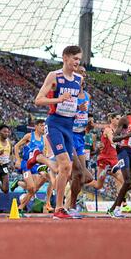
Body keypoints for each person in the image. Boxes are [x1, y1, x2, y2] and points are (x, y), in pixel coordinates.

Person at [34, 45, 84, 219]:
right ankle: (59, 208)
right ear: (65, 58)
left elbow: (74, 100)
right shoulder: (54, 76)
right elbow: (38, 100)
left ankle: (59, 208)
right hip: (54, 123)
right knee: (64, 165)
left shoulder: (78, 79)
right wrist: (58, 99)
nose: (77, 62)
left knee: (67, 169)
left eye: (79, 59)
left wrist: (79, 106)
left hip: (69, 126)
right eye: (75, 58)